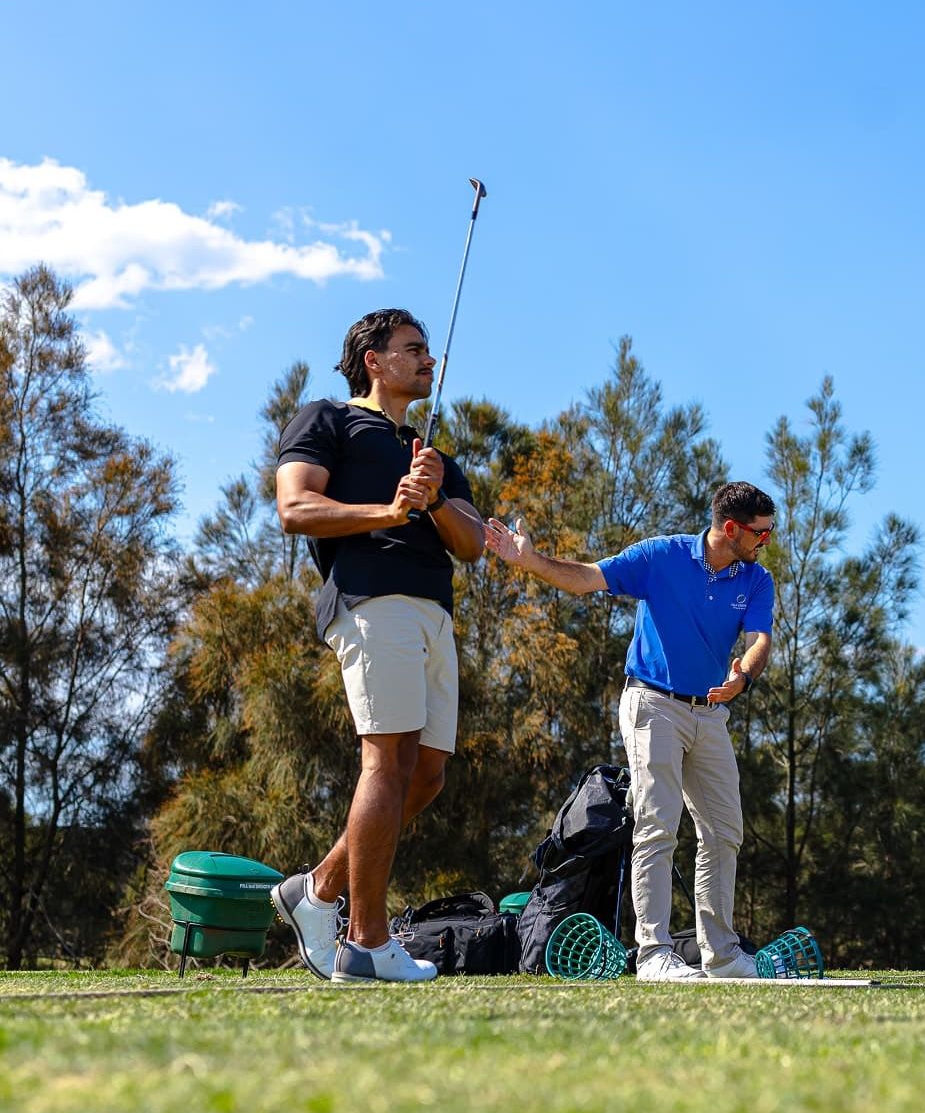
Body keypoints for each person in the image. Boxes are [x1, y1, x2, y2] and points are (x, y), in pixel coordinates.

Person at [484, 482, 776, 982]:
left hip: (710, 712)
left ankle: (722, 955)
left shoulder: (755, 578)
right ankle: (653, 954)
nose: (766, 541)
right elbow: (587, 578)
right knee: (658, 825)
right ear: (731, 528)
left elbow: (760, 640)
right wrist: (531, 560)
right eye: (761, 533)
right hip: (652, 703)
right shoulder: (661, 556)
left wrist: (743, 676)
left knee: (725, 831)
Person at [270, 308, 485, 984]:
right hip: (371, 599)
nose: (429, 360)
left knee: (426, 774)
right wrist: (389, 512)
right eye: (413, 349)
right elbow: (295, 509)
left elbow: (473, 544)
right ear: (374, 360)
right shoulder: (328, 419)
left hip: (433, 611)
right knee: (386, 760)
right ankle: (365, 943)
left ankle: (318, 889)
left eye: (428, 351)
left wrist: (433, 499)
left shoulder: (430, 454)